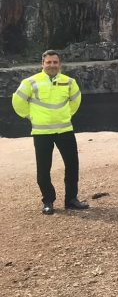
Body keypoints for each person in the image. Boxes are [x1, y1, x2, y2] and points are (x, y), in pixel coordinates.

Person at [12, 50, 89, 214]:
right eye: (49, 62)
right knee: (43, 168)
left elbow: (76, 100)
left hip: (65, 130)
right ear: (43, 64)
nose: (52, 65)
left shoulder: (69, 82)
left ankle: (71, 200)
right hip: (41, 132)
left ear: (60, 64)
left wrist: (67, 115)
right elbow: (18, 101)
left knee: (72, 165)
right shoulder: (30, 82)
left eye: (55, 62)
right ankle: (48, 201)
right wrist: (30, 116)